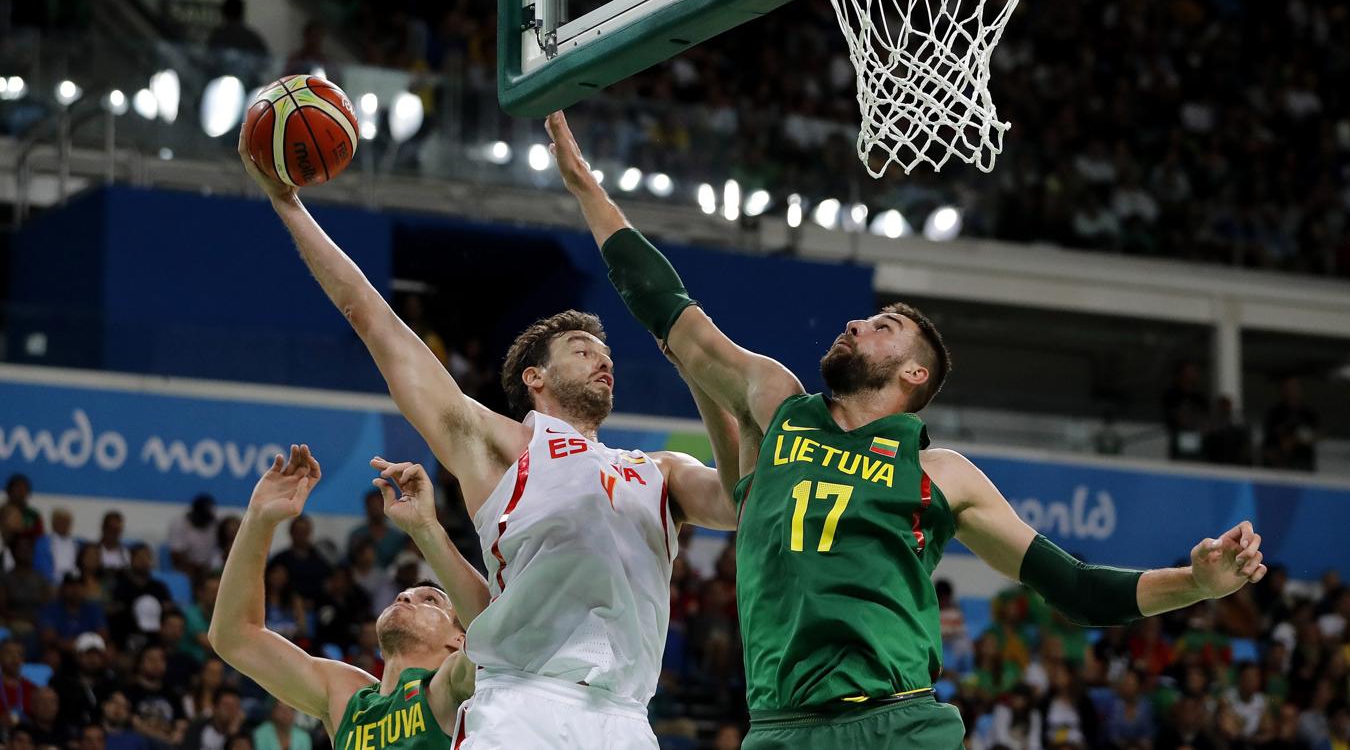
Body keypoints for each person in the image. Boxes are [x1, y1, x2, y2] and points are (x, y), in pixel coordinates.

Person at [546, 108, 1271, 749]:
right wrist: (588, 191)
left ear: (914, 376)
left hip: (899, 724)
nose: (857, 321)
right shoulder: (778, 402)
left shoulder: (943, 473)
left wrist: (1197, 583)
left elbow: (1074, 587)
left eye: (884, 327)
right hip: (781, 728)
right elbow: (668, 305)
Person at [236, 125, 740, 749]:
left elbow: (742, 499)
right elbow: (375, 323)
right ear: (536, 377)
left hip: (625, 718)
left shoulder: (658, 469)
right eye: (582, 350)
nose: (602, 360)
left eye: (607, 352)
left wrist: (701, 373)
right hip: (522, 701)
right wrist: (289, 205)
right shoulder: (501, 447)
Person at [208, 444, 474, 746]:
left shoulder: (452, 687)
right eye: (404, 594)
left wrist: (426, 528)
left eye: (430, 600)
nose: (405, 598)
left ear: (460, 639)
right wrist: (258, 520)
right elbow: (234, 636)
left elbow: (494, 637)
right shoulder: (347, 695)